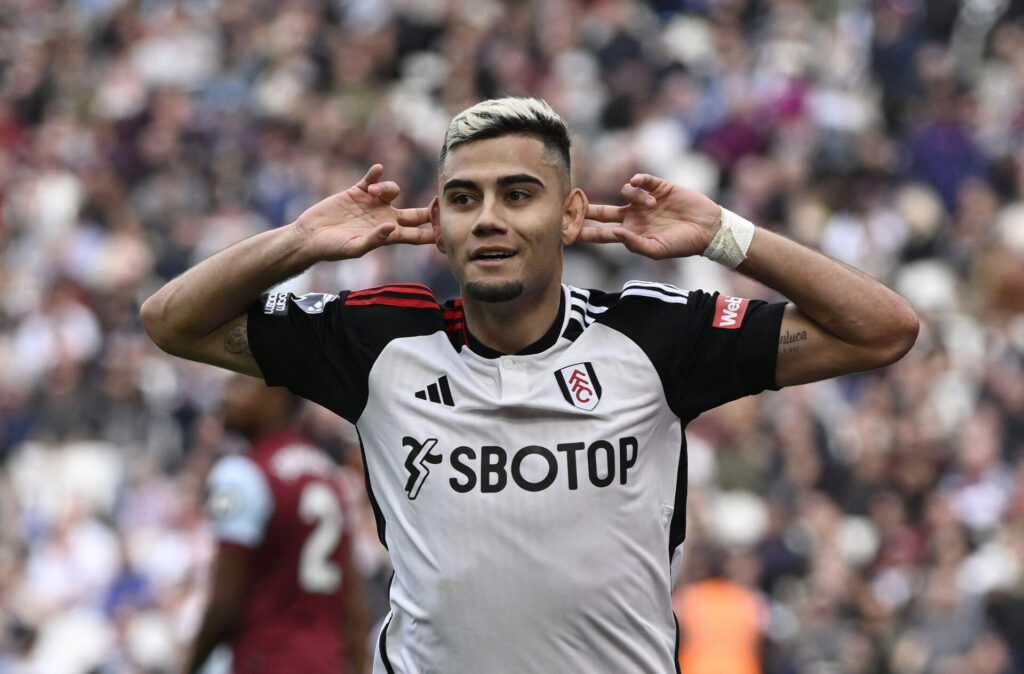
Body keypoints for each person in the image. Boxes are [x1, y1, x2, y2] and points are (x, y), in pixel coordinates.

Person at [143, 97, 918, 673]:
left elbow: (882, 329)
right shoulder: (379, 339)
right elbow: (171, 322)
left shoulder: (652, 335)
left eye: (518, 194)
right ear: (437, 223)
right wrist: (298, 243)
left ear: (572, 216)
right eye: (463, 198)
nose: (488, 219)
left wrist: (725, 235)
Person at [183, 375, 367, 674]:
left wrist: (189, 666)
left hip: (265, 658)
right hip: (328, 662)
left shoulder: (242, 474)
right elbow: (353, 606)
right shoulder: (328, 474)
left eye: (240, 384)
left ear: (276, 400)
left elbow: (224, 606)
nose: (226, 396)